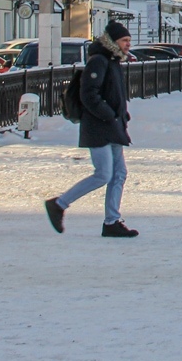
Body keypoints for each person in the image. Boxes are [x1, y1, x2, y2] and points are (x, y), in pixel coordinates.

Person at [45, 20, 137, 238]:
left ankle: (112, 221)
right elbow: (89, 94)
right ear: (113, 41)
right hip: (99, 127)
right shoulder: (99, 61)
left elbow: (112, 94)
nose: (128, 45)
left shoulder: (112, 61)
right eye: (124, 40)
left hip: (112, 126)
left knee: (119, 174)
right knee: (104, 174)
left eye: (129, 41)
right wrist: (109, 114)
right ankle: (59, 204)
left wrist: (121, 115)